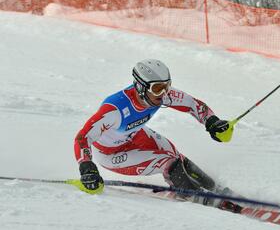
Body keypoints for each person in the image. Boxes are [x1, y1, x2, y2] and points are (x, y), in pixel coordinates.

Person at [74, 59, 237, 209]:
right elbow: (83, 137)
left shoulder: (159, 95)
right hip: (110, 154)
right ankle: (195, 195)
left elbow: (192, 104)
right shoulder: (114, 110)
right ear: (140, 87)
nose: (165, 93)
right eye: (158, 88)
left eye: (167, 86)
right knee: (167, 161)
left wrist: (212, 121)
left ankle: (213, 187)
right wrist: (87, 167)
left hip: (135, 135)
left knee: (175, 154)